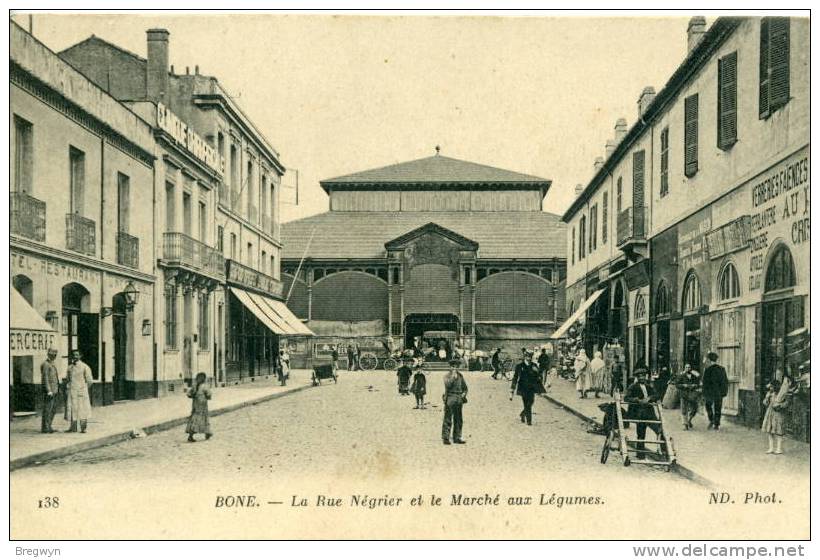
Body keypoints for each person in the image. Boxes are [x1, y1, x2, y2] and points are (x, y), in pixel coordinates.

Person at [624, 368, 662, 460]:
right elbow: (626, 398)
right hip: (639, 413)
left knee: (659, 430)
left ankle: (664, 451)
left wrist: (649, 398)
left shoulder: (649, 386)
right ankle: (640, 454)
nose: (642, 378)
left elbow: (657, 395)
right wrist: (637, 400)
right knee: (641, 434)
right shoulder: (632, 387)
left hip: (650, 413)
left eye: (644, 376)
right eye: (640, 376)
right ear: (637, 377)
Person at [762, 370, 794, 454]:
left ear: (776, 387)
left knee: (779, 432)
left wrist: (780, 406)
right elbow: (765, 403)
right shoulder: (770, 394)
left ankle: (779, 448)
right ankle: (771, 448)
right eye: (770, 387)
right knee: (770, 431)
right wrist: (767, 398)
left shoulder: (784, 394)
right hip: (770, 414)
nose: (770, 388)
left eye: (772, 387)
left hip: (779, 414)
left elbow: (787, 404)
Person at [510, 350, 546, 425]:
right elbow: (515, 377)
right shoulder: (519, 366)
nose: (529, 358)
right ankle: (529, 421)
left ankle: (523, 414)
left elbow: (539, 376)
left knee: (531, 402)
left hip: (531, 388)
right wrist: (512, 388)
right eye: (527, 357)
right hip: (523, 388)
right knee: (526, 403)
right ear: (525, 357)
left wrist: (537, 371)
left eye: (530, 357)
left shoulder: (534, 365)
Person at [441, 357, 468, 445]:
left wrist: (464, 393)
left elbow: (465, 387)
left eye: (456, 367)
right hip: (450, 398)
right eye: (453, 367)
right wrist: (453, 377)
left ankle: (457, 437)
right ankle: (446, 438)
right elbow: (448, 385)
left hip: (459, 399)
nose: (454, 368)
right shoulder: (447, 376)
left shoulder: (460, 376)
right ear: (450, 367)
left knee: (458, 419)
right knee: (448, 418)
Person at [65, 350, 92, 433]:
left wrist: (83, 389)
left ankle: (83, 428)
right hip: (72, 391)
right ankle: (73, 427)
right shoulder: (70, 367)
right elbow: (68, 379)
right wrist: (68, 388)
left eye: (77, 355)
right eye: (74, 355)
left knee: (82, 409)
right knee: (72, 408)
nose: (75, 357)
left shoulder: (85, 367)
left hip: (81, 391)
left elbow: (89, 381)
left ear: (80, 356)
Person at [702, 352, 729, 430]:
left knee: (708, 406)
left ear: (710, 360)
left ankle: (711, 420)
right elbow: (725, 382)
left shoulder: (707, 370)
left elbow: (705, 383)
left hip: (709, 393)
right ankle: (716, 424)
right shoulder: (722, 369)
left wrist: (704, 393)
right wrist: (723, 392)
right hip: (718, 393)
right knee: (718, 408)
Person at [186, 372, 213, 442]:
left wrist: (194, 396)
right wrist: (208, 397)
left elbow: (189, 394)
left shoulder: (195, 386)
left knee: (195, 417)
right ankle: (207, 432)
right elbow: (209, 394)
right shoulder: (205, 386)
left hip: (195, 404)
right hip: (203, 404)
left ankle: (192, 435)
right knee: (204, 418)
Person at [676, 363, 701, 430]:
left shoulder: (694, 376)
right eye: (686, 367)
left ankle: (689, 420)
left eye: (689, 367)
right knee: (684, 410)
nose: (688, 369)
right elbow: (677, 385)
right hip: (684, 394)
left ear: (691, 368)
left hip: (692, 395)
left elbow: (698, 384)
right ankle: (685, 424)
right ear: (684, 368)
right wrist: (683, 385)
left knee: (694, 409)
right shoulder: (681, 376)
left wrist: (694, 385)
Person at [40, 347, 60, 434]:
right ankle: (45, 427)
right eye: (52, 354)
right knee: (48, 409)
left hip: (55, 389)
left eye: (55, 354)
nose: (54, 356)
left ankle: (49, 426)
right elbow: (45, 378)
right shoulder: (46, 364)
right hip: (50, 391)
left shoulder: (53, 363)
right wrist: (49, 390)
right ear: (48, 354)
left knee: (53, 409)